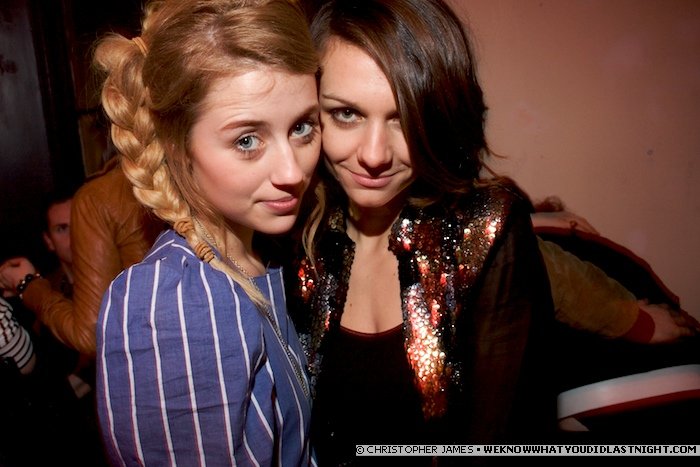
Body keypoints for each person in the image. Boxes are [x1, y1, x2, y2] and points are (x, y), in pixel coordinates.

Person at [286, 0, 557, 464]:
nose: (374, 155)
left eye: (404, 119)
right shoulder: (289, 229)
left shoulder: (486, 230)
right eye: (347, 114)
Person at [93, 0, 321, 464]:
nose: (292, 171)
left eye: (301, 127)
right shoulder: (172, 302)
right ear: (177, 145)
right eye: (247, 140)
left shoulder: (262, 253)